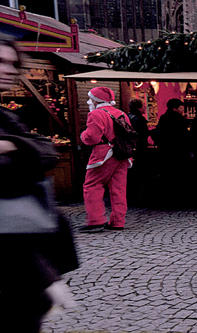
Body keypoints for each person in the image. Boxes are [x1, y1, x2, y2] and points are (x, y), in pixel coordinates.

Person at [0, 35, 76, 331]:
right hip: (15, 262)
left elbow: (46, 151)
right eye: (0, 62)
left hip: (26, 256)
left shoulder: (6, 117)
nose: (8, 69)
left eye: (12, 63)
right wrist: (45, 276)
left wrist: (11, 146)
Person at [79, 86, 132, 232]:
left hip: (104, 155)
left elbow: (91, 137)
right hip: (122, 154)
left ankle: (96, 221)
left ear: (96, 100)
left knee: (92, 185)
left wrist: (82, 136)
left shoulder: (96, 114)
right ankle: (118, 222)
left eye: (91, 99)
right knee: (118, 189)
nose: (89, 101)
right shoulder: (121, 113)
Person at [151, 98, 190, 206]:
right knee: (178, 176)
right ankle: (177, 198)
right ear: (175, 108)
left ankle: (166, 198)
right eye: (181, 107)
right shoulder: (180, 119)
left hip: (165, 151)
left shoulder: (163, 118)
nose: (183, 109)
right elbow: (185, 137)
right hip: (179, 152)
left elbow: (158, 133)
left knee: (167, 175)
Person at [126, 99, 150, 205]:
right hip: (140, 150)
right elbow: (144, 135)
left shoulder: (126, 118)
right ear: (139, 107)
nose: (145, 107)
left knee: (130, 174)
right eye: (143, 106)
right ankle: (140, 197)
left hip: (128, 150)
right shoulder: (140, 119)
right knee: (141, 174)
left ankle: (130, 195)